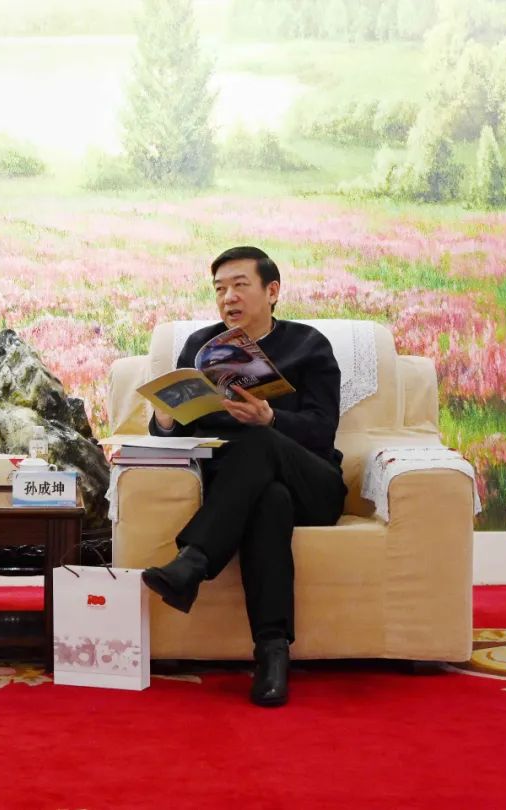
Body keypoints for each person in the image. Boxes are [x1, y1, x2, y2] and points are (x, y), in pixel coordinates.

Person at [141, 246, 346, 707]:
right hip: (240, 492)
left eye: (239, 286)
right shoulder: (201, 346)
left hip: (313, 484)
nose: (227, 298)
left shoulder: (309, 345)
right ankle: (272, 655)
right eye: (219, 289)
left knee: (259, 439)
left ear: (272, 291)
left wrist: (271, 418)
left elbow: (323, 428)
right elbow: (177, 434)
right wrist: (165, 419)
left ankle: (194, 560)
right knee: (269, 500)